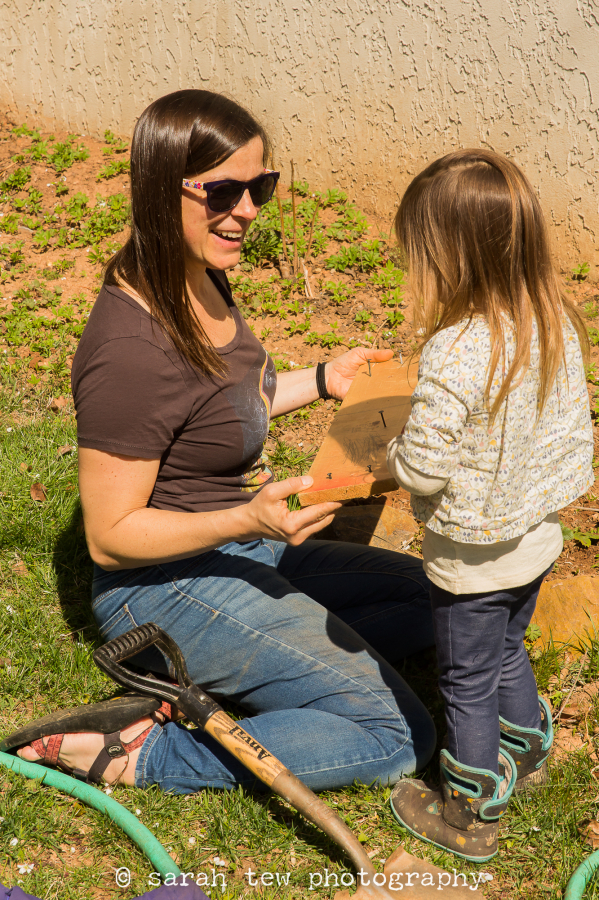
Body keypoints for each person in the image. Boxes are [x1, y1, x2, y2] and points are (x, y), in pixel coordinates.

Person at [9, 89, 436, 794]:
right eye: (223, 191)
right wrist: (247, 517)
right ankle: (141, 752)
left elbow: (220, 405)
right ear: (160, 189)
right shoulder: (129, 350)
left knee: (431, 598)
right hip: (163, 587)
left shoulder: (198, 274)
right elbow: (109, 539)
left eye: (259, 187)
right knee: (396, 731)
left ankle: (259, 670)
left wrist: (324, 378)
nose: (247, 210)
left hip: (236, 551)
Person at [386, 149, 593, 861]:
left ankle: (469, 813)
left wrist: (388, 458)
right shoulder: (552, 320)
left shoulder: (456, 350)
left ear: (450, 257)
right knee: (506, 648)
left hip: (471, 562)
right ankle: (527, 750)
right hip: (534, 539)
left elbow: (423, 467)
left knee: (465, 680)